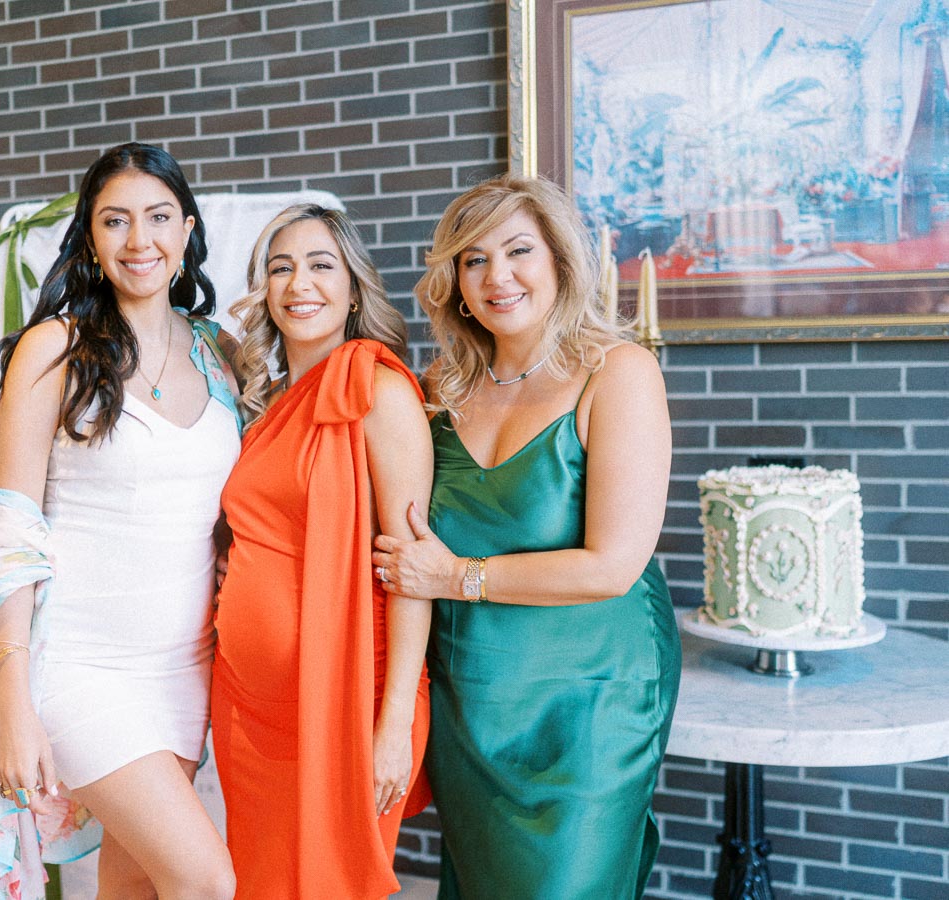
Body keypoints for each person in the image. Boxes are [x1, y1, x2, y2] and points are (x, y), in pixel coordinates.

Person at [371, 174, 681, 900]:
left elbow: (612, 566)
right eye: (474, 260)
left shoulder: (618, 372)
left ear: (561, 262)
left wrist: (455, 577)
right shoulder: (439, 388)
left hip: (593, 696)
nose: (497, 277)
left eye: (518, 251)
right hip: (472, 693)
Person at [0, 142, 242, 900]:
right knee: (205, 880)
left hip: (184, 667)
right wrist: (14, 700)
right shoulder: (55, 349)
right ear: (89, 236)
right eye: (115, 220)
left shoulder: (221, 352)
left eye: (158, 217)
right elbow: (11, 532)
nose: (139, 239)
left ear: (187, 230)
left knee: (136, 884)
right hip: (79, 666)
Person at [210, 204, 434, 899]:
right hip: (249, 706)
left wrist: (394, 725)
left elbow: (413, 569)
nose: (299, 283)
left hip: (350, 699)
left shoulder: (380, 390)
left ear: (354, 288)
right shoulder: (266, 401)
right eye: (281, 268)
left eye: (320, 265)